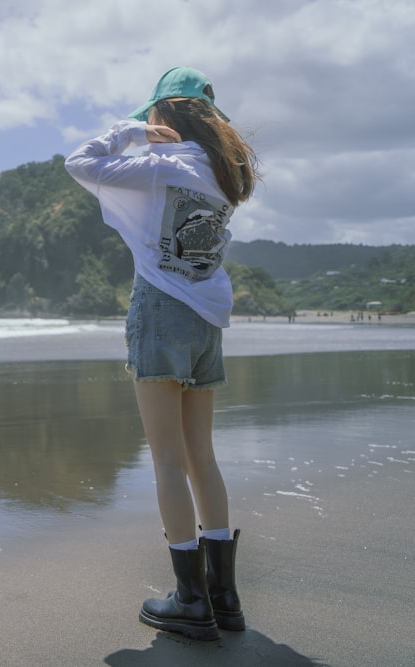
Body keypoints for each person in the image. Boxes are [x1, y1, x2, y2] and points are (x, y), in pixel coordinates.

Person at [64, 67, 260, 641]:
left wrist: (129, 131)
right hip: (206, 320)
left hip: (161, 312)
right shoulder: (227, 175)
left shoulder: (163, 163)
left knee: (167, 461)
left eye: (152, 115)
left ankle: (190, 600)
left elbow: (79, 163)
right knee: (202, 456)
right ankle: (225, 597)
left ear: (164, 116)